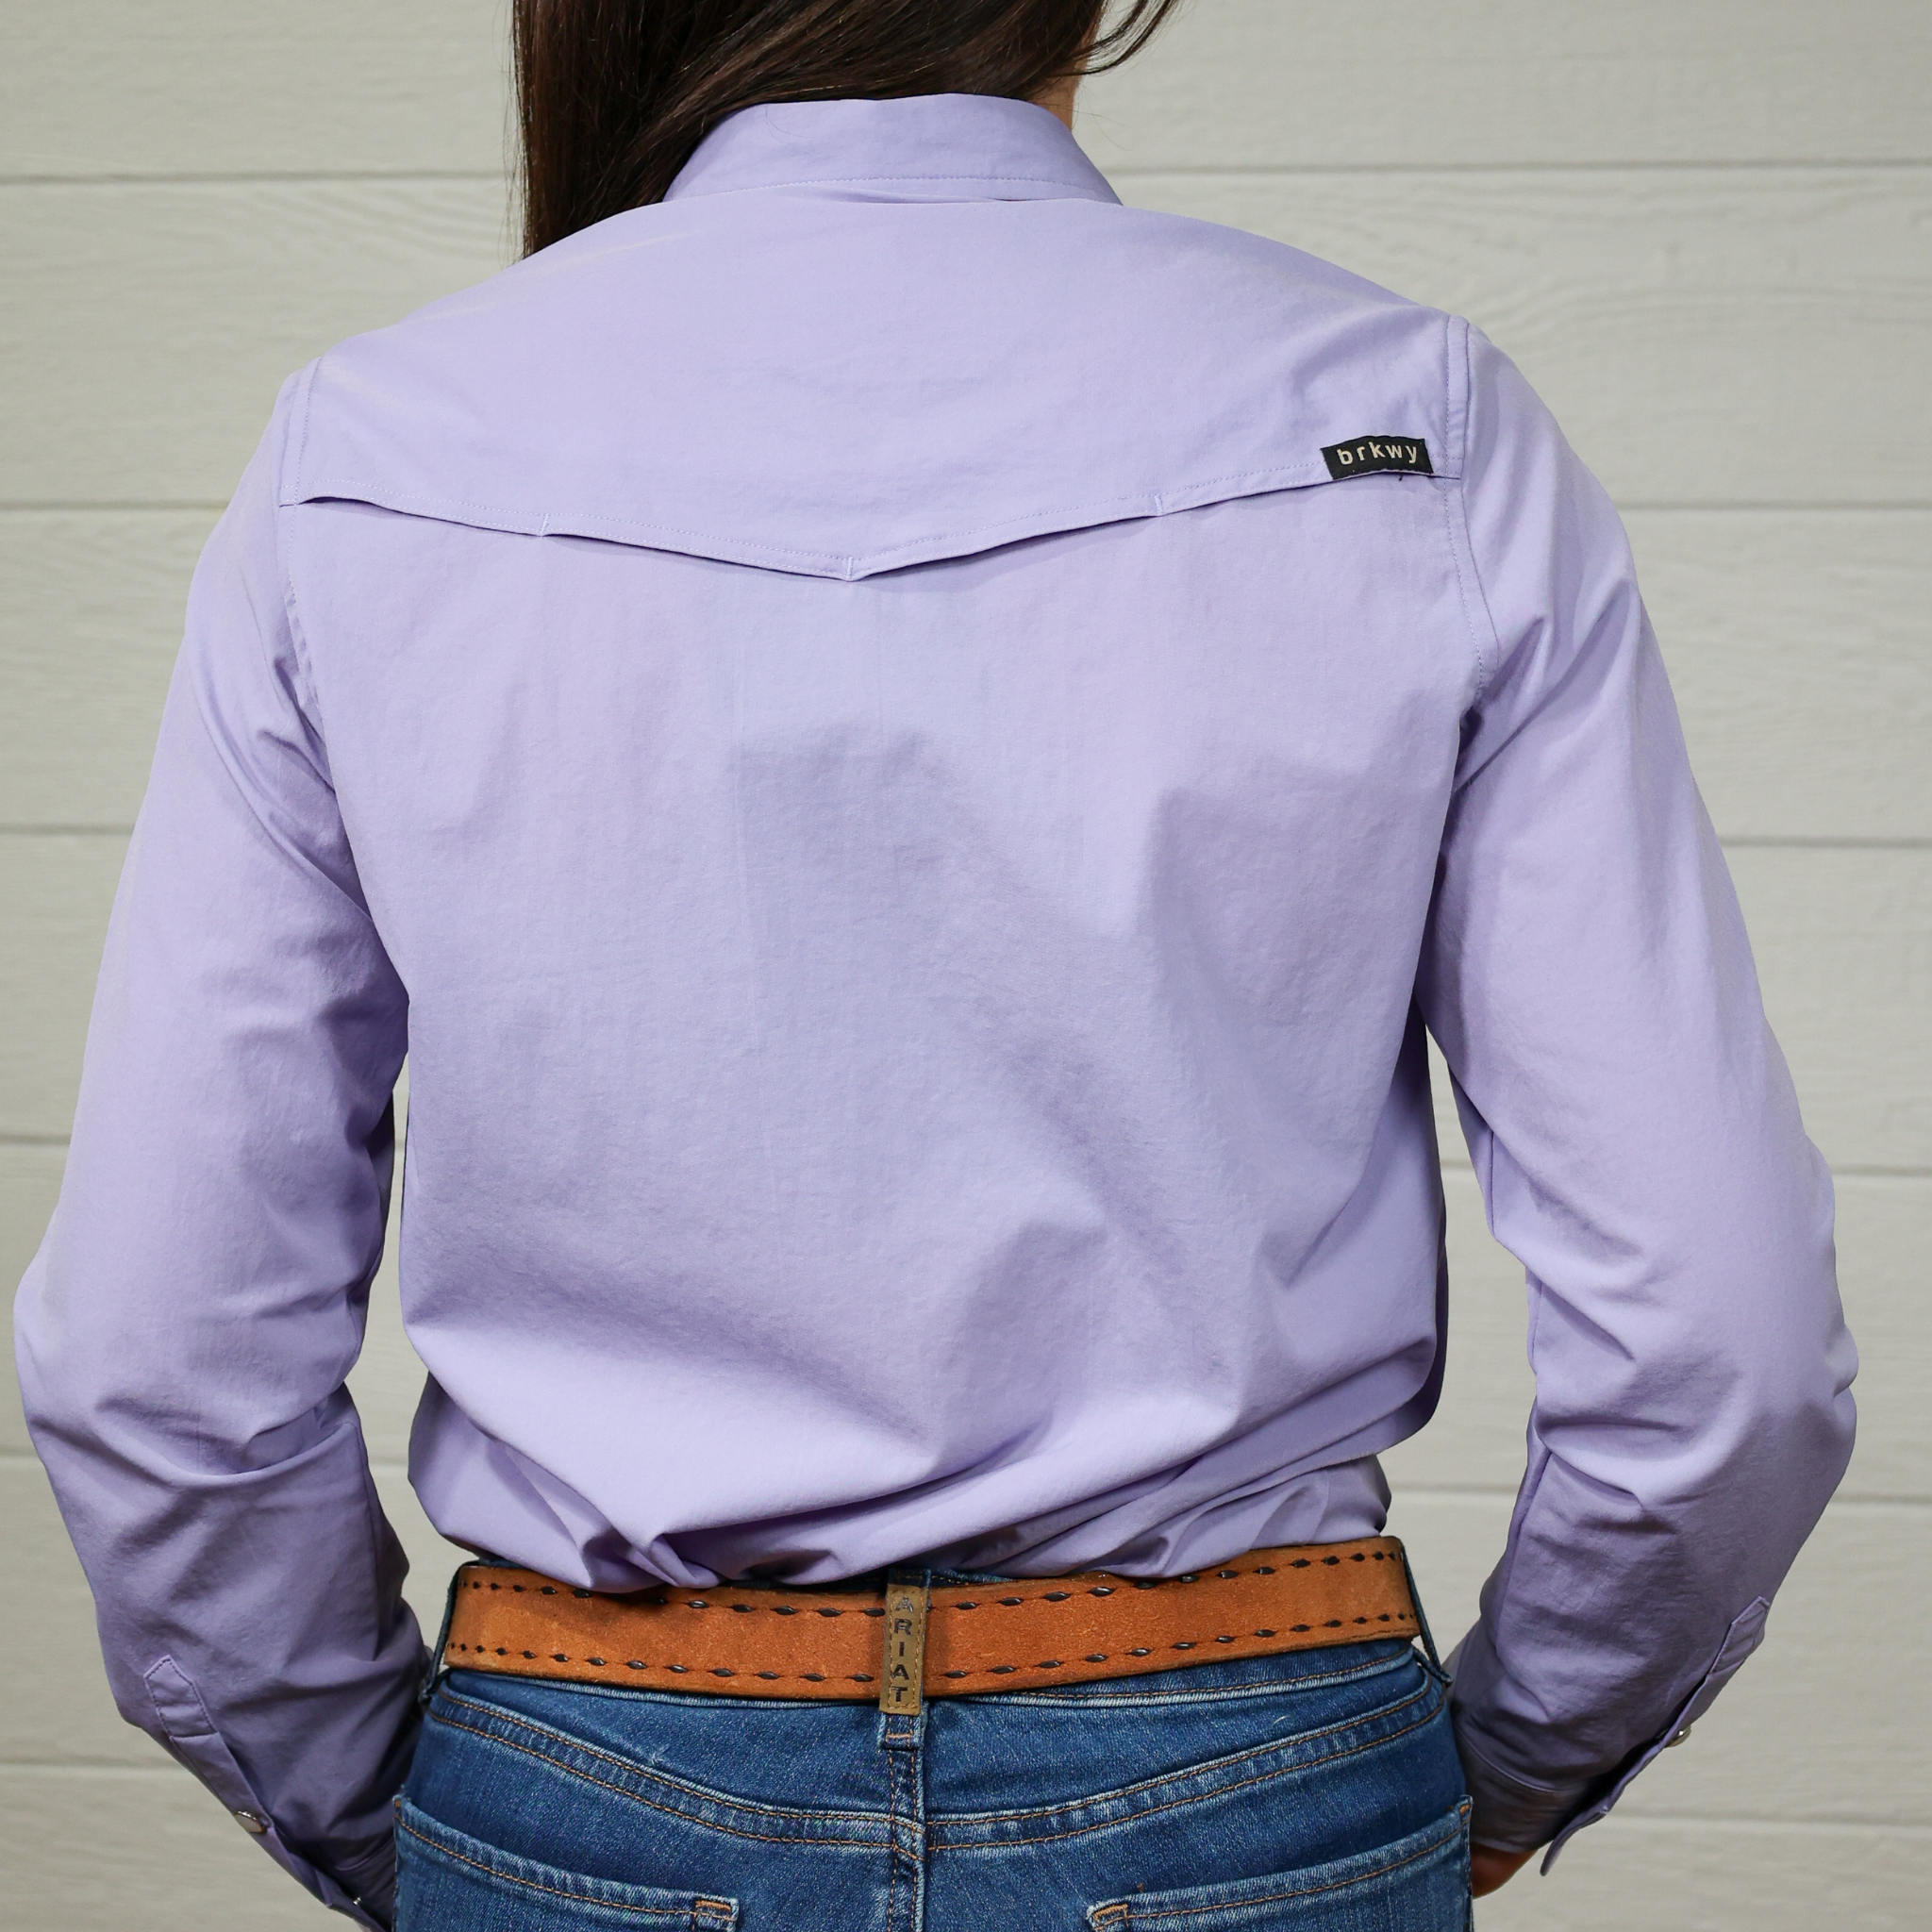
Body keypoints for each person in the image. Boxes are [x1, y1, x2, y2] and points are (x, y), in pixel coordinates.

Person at [14, 3, 1856, 1926]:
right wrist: (1481, 1766)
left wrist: (447, 1822)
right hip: (1255, 1773)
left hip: (591, 1779)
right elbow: (1717, 1335)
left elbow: (162, 1355)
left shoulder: (368, 457)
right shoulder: (1413, 422)